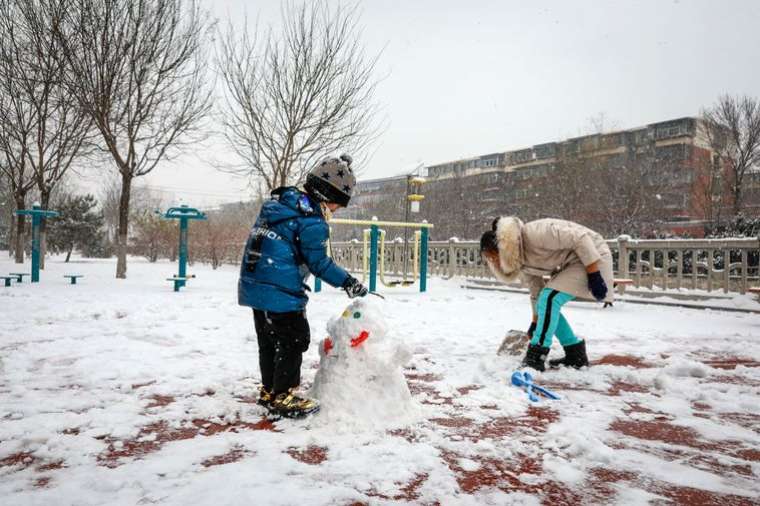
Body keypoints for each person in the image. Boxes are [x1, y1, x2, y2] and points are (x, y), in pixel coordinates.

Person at [238, 154, 368, 418]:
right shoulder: (311, 221)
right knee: (294, 338)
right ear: (325, 195)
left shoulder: (280, 206)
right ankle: (283, 396)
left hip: (255, 284)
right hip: (280, 291)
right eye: (336, 204)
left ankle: (270, 390)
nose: (336, 210)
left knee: (269, 340)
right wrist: (348, 282)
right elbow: (318, 263)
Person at [479, 216, 613, 371]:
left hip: (593, 256)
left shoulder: (535, 233)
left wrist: (594, 274)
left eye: (493, 257)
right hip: (572, 264)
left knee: (549, 299)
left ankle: (536, 357)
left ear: (500, 247)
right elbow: (536, 291)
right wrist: (536, 322)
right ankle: (575, 354)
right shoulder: (518, 258)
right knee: (547, 302)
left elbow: (580, 238)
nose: (494, 262)